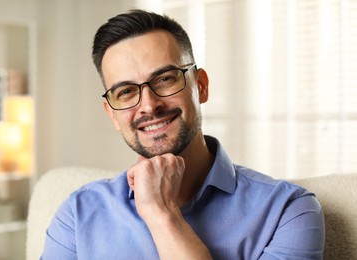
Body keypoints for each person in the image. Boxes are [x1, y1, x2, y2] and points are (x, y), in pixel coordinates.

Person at [41, 10, 325, 259]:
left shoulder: (288, 212)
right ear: (112, 114)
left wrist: (161, 213)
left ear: (200, 86)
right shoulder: (77, 215)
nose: (149, 105)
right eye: (126, 92)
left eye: (165, 79)